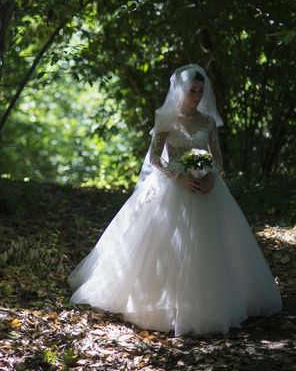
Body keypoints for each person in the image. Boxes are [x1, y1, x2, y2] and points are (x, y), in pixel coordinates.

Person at [68, 63, 282, 336]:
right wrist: (177, 176)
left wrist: (211, 176)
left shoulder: (207, 122)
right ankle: (164, 304)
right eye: (192, 90)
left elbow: (217, 158)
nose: (196, 96)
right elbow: (155, 157)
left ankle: (210, 304)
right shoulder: (166, 119)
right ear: (180, 90)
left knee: (210, 247)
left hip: (206, 187)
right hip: (173, 186)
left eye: (200, 91)